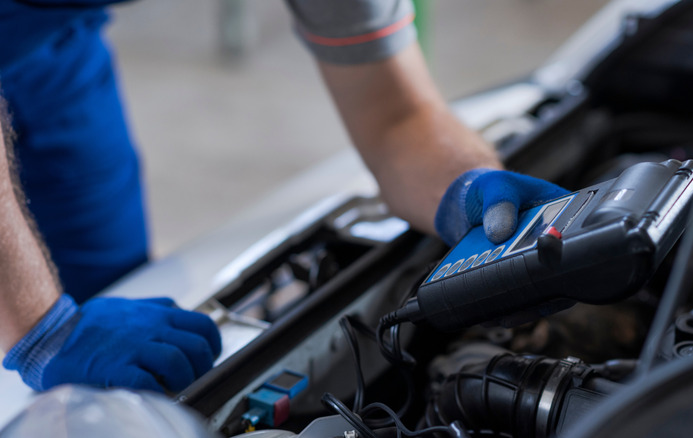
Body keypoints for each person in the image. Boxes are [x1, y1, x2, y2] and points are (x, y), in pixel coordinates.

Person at [0, 0, 566, 392]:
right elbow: (37, 324)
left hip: (53, 47)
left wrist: (465, 186)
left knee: (114, 306)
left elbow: (396, 114)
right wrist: (40, 329)